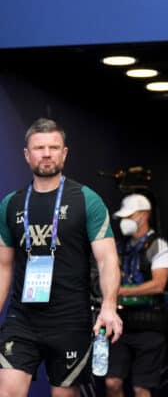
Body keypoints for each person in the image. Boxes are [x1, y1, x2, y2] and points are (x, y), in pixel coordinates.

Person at [0, 117, 123, 397]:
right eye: (39, 147)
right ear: (26, 154)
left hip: (71, 320)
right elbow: (3, 267)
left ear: (64, 153)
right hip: (23, 318)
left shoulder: (86, 200)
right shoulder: (11, 204)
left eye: (54, 147)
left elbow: (107, 260)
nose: (46, 153)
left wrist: (109, 306)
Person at [105, 193, 168, 397]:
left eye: (130, 216)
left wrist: (121, 291)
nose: (125, 221)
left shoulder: (159, 246)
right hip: (121, 325)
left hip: (150, 325)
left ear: (144, 215)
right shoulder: (122, 247)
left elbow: (158, 285)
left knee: (141, 387)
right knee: (111, 382)